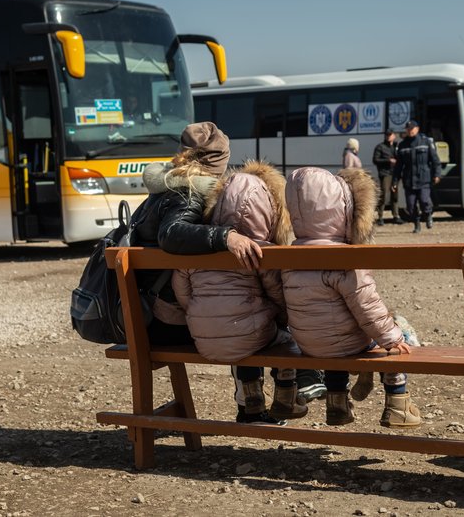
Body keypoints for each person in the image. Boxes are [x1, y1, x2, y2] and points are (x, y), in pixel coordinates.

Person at [281, 166, 422, 428]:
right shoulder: (344, 258)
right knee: (402, 330)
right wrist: (391, 338)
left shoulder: (288, 255)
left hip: (309, 344)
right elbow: (367, 304)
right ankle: (397, 402)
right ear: (342, 209)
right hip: (347, 344)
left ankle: (337, 403)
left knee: (331, 329)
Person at [172, 161, 307, 423]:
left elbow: (182, 289)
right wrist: (279, 316)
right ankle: (286, 397)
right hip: (247, 333)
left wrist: (194, 312)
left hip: (204, 337)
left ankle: (250, 397)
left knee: (241, 327)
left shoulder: (201, 244)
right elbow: (276, 293)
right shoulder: (258, 250)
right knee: (277, 335)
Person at [133, 121, 263, 348]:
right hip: (164, 323)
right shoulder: (188, 193)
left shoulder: (163, 188)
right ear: (218, 162)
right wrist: (226, 237)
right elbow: (172, 233)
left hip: (144, 312)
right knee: (248, 325)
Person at [392, 120, 441, 233]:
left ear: (417, 129)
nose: (410, 130)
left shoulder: (425, 142)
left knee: (424, 201)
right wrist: (394, 182)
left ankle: (428, 215)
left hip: (423, 178)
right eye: (408, 129)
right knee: (410, 205)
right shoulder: (402, 145)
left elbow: (435, 160)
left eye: (412, 128)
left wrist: (437, 174)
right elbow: (398, 166)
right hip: (409, 180)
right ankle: (417, 224)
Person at [372, 129, 403, 225]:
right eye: (387, 135)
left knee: (395, 196)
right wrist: (388, 160)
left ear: (394, 136)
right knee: (384, 195)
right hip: (385, 174)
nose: (389, 136)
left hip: (395, 174)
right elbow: (375, 160)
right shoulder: (380, 147)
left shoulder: (397, 146)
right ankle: (380, 217)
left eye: (390, 135)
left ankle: (396, 216)